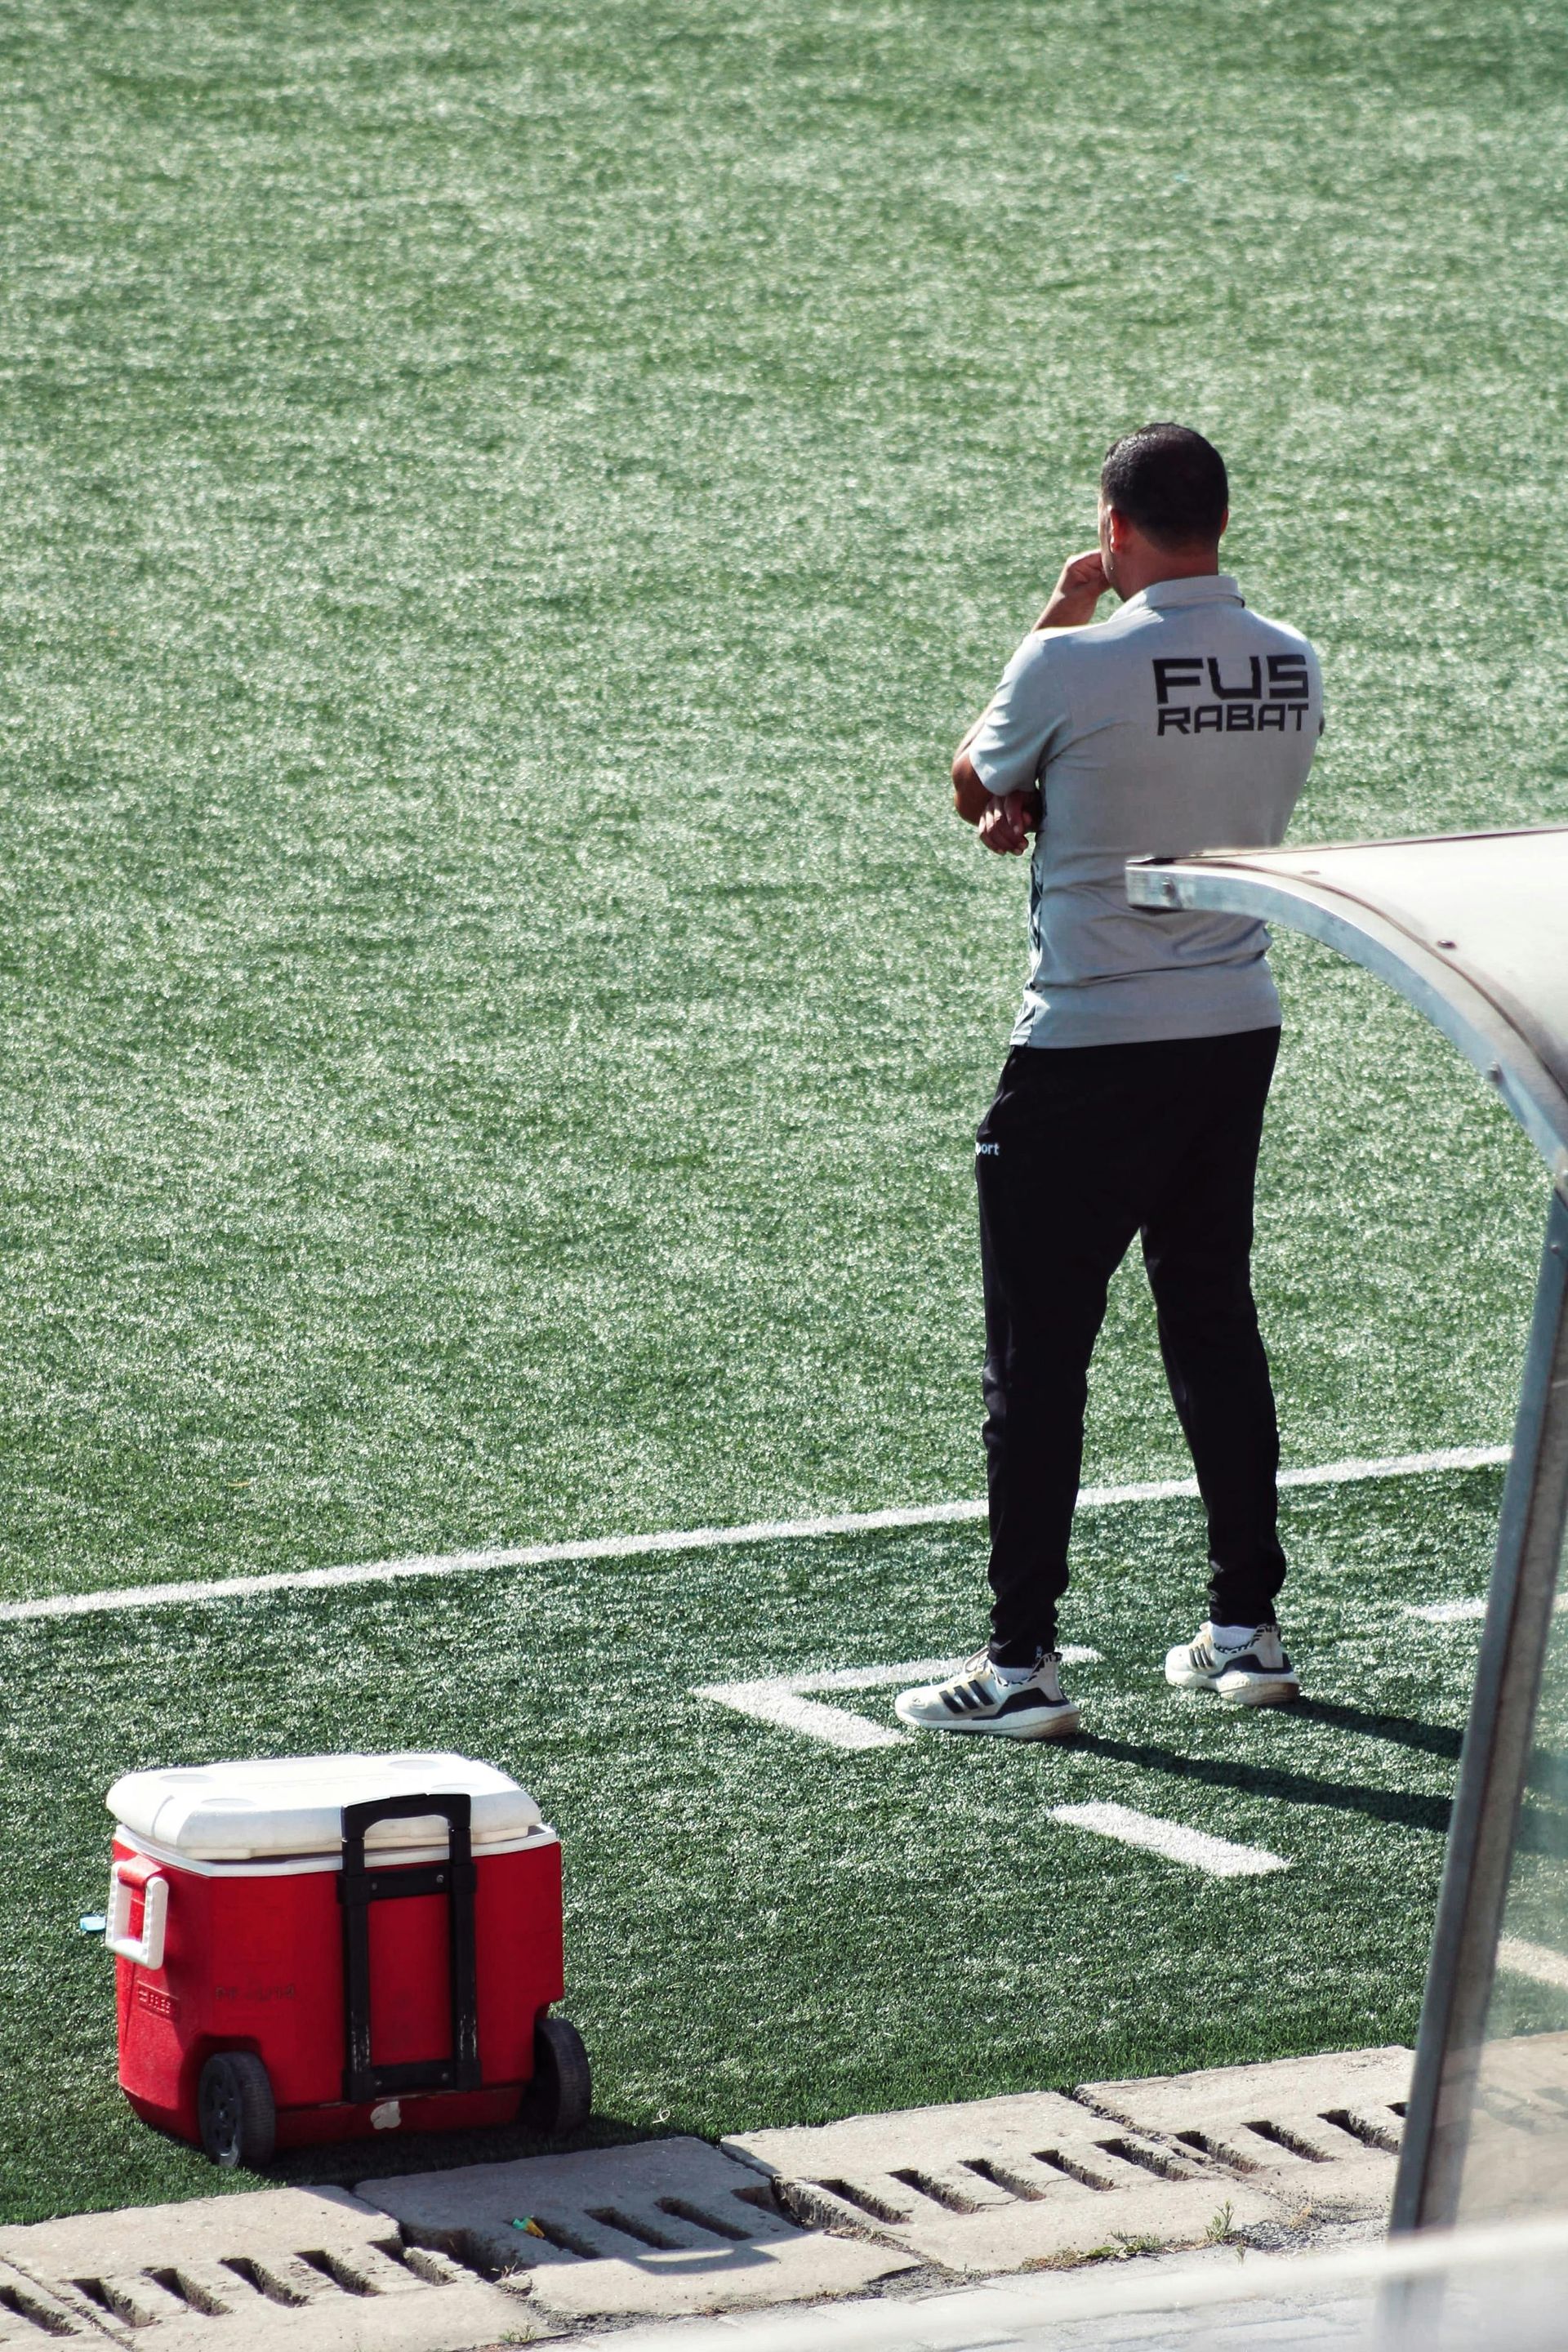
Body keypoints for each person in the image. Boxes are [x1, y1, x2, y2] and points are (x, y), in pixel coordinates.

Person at [896, 423, 1323, 1742]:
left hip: (1087, 1042)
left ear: (1113, 525)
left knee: (1038, 1356)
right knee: (1210, 1320)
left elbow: (978, 773)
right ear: (1224, 521)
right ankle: (1245, 1629)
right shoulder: (1294, 664)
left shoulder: (1072, 659)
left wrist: (1057, 619)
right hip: (1232, 1027)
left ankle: (1021, 1662)